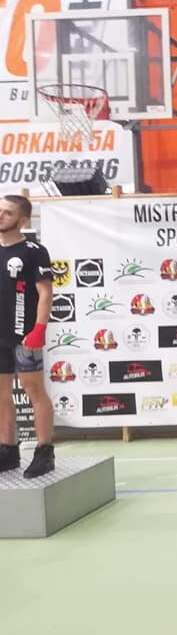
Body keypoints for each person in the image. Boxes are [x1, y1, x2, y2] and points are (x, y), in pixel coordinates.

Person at [0, 195, 54, 479]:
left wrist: (39, 329)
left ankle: (45, 452)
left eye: (7, 213)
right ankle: (8, 450)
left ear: (22, 220)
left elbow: (45, 292)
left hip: (25, 335)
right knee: (1, 394)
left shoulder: (35, 251)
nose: (0, 215)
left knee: (34, 391)